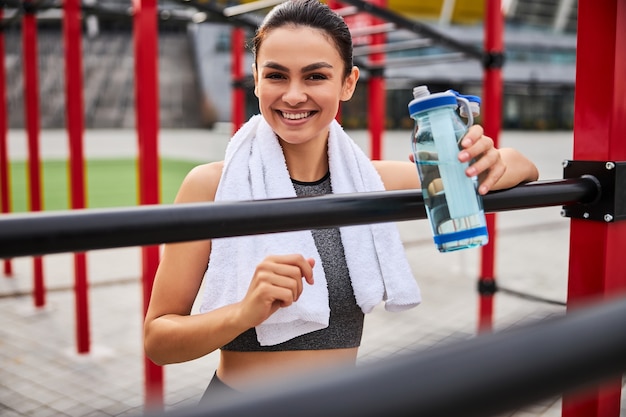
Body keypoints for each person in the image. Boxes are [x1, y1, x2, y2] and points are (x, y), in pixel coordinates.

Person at [143, 0, 539, 402]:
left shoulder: (369, 181)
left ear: (348, 83)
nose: (294, 95)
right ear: (256, 80)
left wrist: (484, 157)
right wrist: (243, 313)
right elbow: (158, 339)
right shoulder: (212, 186)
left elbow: (521, 166)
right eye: (277, 75)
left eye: (315, 76)